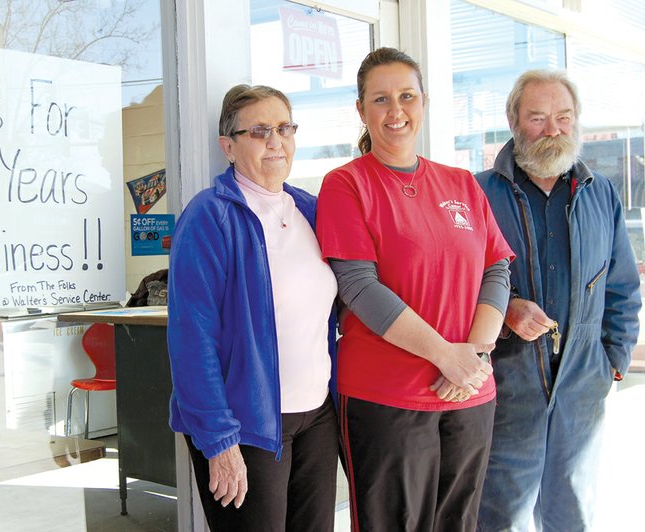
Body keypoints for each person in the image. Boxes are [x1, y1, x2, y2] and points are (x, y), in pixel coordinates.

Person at [316, 47, 515, 532]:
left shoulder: (461, 183)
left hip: (470, 391)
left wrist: (472, 355)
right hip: (387, 396)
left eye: (406, 96)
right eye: (380, 99)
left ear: (423, 102)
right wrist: (446, 355)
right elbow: (360, 286)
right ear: (361, 110)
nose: (396, 110)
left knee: (460, 523)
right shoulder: (347, 185)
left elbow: (497, 269)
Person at [167, 84, 340, 531]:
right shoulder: (209, 216)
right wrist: (219, 441)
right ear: (228, 146)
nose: (275, 141)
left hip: (317, 415)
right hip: (245, 423)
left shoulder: (312, 211)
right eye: (260, 130)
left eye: (284, 128)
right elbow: (192, 338)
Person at [476, 70, 641, 532]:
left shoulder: (600, 192)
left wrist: (613, 360)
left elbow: (622, 289)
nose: (553, 129)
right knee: (502, 514)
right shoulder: (478, 194)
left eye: (564, 117)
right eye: (538, 118)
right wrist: (506, 311)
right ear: (513, 121)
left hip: (581, 381)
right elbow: (459, 284)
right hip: (507, 381)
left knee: (573, 511)